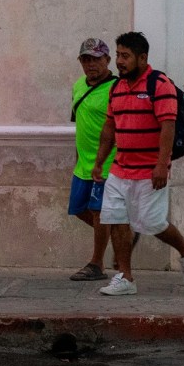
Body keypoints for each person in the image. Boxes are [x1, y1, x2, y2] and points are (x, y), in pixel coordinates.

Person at [92, 31, 184, 296]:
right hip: (120, 169)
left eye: (125, 56)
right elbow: (110, 128)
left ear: (142, 58)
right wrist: (100, 162)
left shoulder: (159, 84)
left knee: (152, 223)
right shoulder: (116, 88)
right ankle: (125, 278)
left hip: (149, 169)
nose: (119, 61)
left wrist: (162, 165)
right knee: (115, 218)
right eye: (118, 55)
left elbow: (168, 126)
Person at [67, 38, 118, 281]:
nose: (91, 64)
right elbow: (80, 124)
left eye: (96, 59)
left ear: (108, 60)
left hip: (108, 162)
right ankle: (121, 231)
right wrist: (77, 158)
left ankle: (96, 264)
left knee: (99, 212)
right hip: (83, 164)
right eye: (86, 59)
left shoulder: (117, 88)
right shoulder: (79, 86)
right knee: (78, 209)